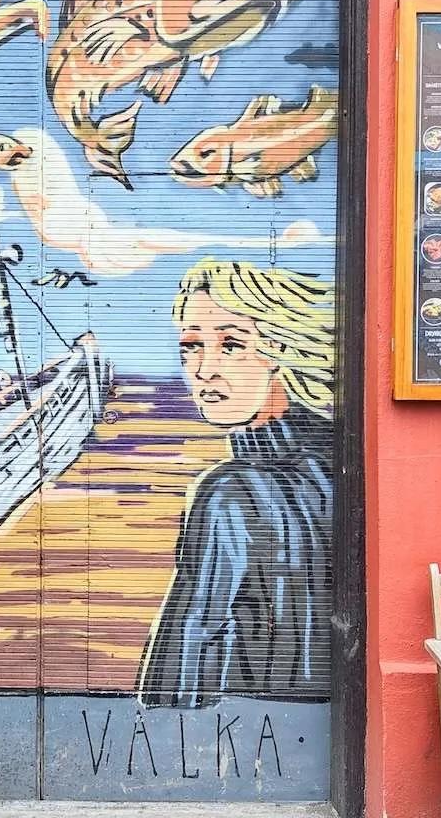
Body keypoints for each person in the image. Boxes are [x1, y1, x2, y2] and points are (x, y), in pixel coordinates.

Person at [136, 258, 335, 708]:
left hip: (235, 739)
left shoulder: (228, 492)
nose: (204, 369)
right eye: (190, 347)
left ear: (279, 351)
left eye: (229, 345)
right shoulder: (338, 461)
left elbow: (192, 642)